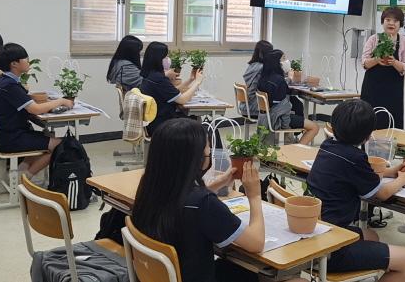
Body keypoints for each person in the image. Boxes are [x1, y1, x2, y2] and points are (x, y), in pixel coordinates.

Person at [132, 118, 306, 282]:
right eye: (208, 156)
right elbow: (256, 243)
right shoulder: (204, 204)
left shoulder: (149, 186)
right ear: (194, 161)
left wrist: (215, 185)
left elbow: (182, 201)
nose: (209, 160)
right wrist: (254, 196)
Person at [306, 100, 405, 282]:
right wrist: (402, 179)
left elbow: (356, 177)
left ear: (333, 127)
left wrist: (390, 172)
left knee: (372, 236)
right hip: (331, 245)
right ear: (368, 136)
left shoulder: (327, 147)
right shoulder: (355, 157)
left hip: (314, 233)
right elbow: (381, 194)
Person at [0, 43, 74, 178]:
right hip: (12, 138)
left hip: (5, 134)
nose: (28, 61)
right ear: (14, 64)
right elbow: (35, 109)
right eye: (25, 59)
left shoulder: (4, 81)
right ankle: (25, 177)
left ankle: (20, 172)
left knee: (48, 137)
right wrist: (61, 101)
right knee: (63, 146)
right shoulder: (10, 85)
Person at [361, 7, 405, 129]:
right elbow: (364, 63)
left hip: (393, 90)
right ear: (382, 22)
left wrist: (393, 62)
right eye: (388, 20)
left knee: (392, 122)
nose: (391, 23)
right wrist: (377, 59)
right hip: (372, 88)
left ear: (400, 24)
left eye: (395, 21)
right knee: (367, 121)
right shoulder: (373, 39)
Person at [140, 41, 203, 135]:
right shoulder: (159, 79)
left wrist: (190, 80)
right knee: (204, 128)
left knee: (195, 120)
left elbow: (174, 92)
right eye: (165, 57)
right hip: (162, 125)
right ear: (158, 59)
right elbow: (182, 99)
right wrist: (197, 82)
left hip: (154, 121)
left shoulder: (149, 75)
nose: (167, 59)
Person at [257, 49, 319, 145]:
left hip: (266, 117)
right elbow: (284, 105)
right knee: (314, 127)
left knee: (296, 104)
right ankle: (296, 148)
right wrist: (287, 127)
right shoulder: (279, 80)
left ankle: (292, 140)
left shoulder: (263, 78)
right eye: (284, 58)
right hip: (279, 118)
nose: (287, 61)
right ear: (277, 62)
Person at [240, 40, 273, 118]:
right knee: (287, 105)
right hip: (256, 108)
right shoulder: (263, 68)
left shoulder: (252, 66)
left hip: (245, 106)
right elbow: (275, 84)